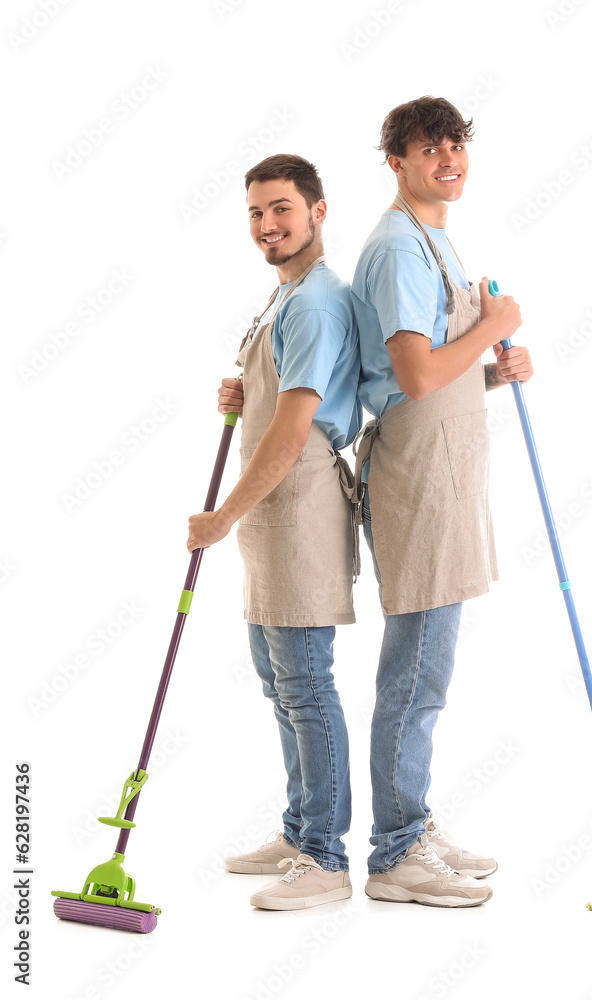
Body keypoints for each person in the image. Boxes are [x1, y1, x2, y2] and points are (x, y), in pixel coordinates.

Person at [350, 96, 534, 907]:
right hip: (421, 482)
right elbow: (418, 378)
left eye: (456, 143)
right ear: (396, 160)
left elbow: (431, 377)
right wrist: (492, 319)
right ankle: (395, 852)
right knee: (417, 671)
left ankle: (411, 823)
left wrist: (497, 366)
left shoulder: (435, 238)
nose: (449, 159)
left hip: (448, 473)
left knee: (430, 669)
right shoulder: (397, 247)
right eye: (429, 148)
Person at [187, 154, 361, 911]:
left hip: (297, 509)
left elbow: (294, 432)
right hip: (270, 518)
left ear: (318, 211)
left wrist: (221, 516)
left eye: (282, 210)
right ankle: (298, 831)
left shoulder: (317, 300)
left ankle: (325, 857)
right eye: (257, 214)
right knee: (278, 679)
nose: (268, 226)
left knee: (306, 686)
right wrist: (244, 385)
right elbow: (279, 392)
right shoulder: (283, 296)